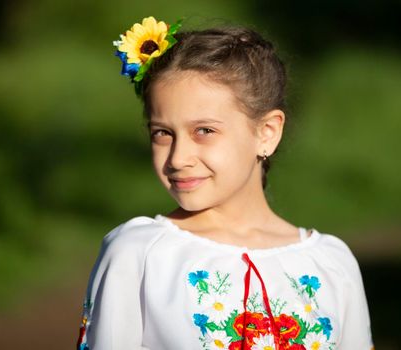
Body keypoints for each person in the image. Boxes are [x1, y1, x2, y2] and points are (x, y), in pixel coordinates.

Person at [76, 16, 374, 350]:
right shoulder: (139, 254)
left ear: (266, 133)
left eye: (204, 131)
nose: (177, 158)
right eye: (162, 133)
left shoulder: (332, 264)